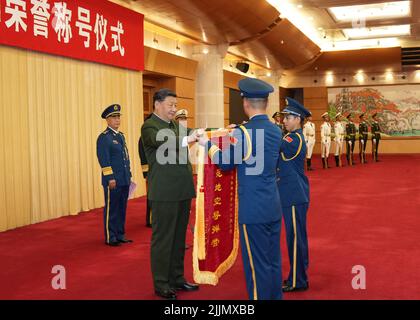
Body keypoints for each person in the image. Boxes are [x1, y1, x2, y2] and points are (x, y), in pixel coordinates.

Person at [198, 78, 283, 300]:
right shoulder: (276, 130)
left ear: (245, 103)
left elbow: (225, 163)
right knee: (273, 262)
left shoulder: (243, 133)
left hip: (253, 209)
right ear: (265, 103)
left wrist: (208, 144)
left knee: (257, 267)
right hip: (273, 206)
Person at [141, 88, 200, 300]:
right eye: (170, 105)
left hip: (182, 190)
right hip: (164, 193)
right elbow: (166, 141)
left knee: (177, 239)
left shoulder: (175, 125)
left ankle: (177, 277)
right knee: (164, 239)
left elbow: (197, 131)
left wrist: (222, 130)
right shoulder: (149, 127)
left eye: (175, 105)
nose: (174, 109)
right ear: (157, 104)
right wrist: (191, 138)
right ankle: (161, 283)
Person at [278, 97, 311, 293]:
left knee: (295, 239)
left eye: (288, 117)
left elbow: (276, 143)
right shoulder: (290, 137)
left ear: (298, 119)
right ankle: (297, 276)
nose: (284, 121)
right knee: (295, 238)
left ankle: (299, 280)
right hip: (291, 194)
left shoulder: (294, 138)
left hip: (293, 195)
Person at [96, 104, 133, 246]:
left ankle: (120, 234)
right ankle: (110, 237)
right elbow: (103, 159)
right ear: (107, 120)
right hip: (113, 180)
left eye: (118, 117)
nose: (117, 120)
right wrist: (110, 177)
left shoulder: (121, 136)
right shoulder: (104, 138)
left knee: (122, 208)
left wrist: (128, 175)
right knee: (112, 209)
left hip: (124, 179)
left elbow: (125, 158)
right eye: (114, 117)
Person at [138, 114, 153, 228]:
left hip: (160, 171)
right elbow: (143, 156)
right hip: (151, 171)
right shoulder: (143, 138)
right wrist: (146, 173)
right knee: (152, 196)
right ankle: (151, 219)